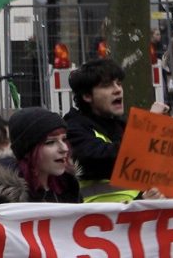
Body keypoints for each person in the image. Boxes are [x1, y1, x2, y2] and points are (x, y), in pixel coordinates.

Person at [64, 58, 167, 202]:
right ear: (87, 95)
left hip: (135, 212)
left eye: (119, 83)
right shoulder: (73, 129)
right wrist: (148, 127)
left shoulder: (123, 126)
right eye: (107, 86)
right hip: (98, 214)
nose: (118, 90)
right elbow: (103, 160)